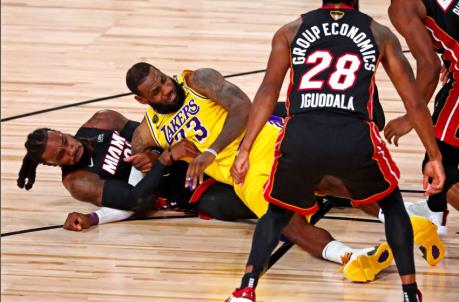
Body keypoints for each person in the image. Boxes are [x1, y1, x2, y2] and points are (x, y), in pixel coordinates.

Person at [17, 109, 392, 283]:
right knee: (261, 200)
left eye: (64, 141)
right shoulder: (79, 181)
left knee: (282, 133)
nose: (70, 151)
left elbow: (146, 131)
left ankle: (373, 196)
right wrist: (163, 160)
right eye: (60, 156)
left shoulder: (102, 122)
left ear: (62, 131)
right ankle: (345, 251)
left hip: (203, 152)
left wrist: (155, 151)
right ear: (53, 166)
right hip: (188, 186)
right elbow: (136, 201)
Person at [229, 0, 445, 301]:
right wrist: (434, 156)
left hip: (301, 135)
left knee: (277, 211)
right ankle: (410, 292)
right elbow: (415, 103)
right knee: (392, 204)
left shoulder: (290, 31)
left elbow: (267, 91)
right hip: (352, 136)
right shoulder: (378, 32)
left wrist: (245, 149)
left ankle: (246, 288)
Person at [383, 0, 459, 235]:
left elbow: (429, 66)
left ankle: (436, 212)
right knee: (438, 152)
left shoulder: (401, 6)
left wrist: (410, 117)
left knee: (441, 167)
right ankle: (435, 211)